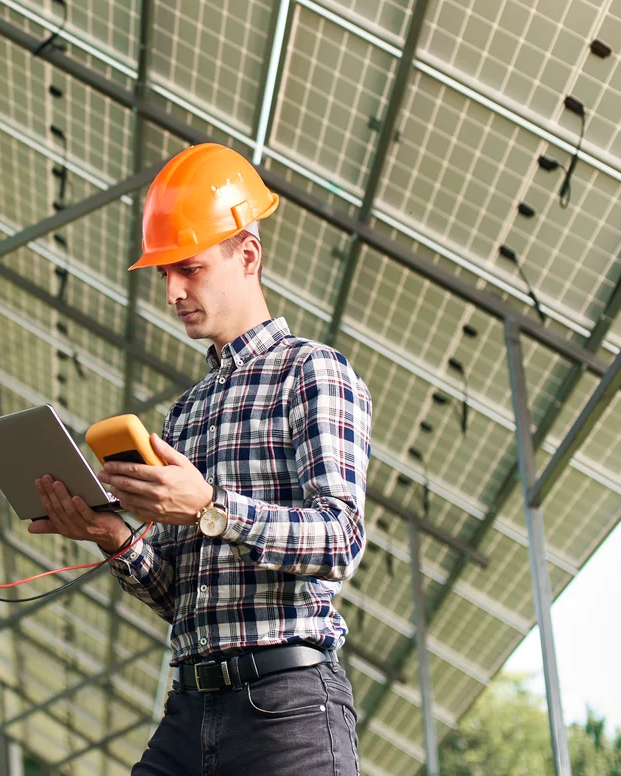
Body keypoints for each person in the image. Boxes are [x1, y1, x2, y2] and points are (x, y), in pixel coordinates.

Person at [30, 143, 373, 776]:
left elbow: (341, 541)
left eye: (187, 268)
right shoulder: (184, 415)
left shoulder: (313, 373)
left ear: (248, 255)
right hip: (190, 708)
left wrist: (213, 508)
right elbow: (183, 596)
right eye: (164, 274)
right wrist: (113, 539)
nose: (172, 292)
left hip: (288, 712)